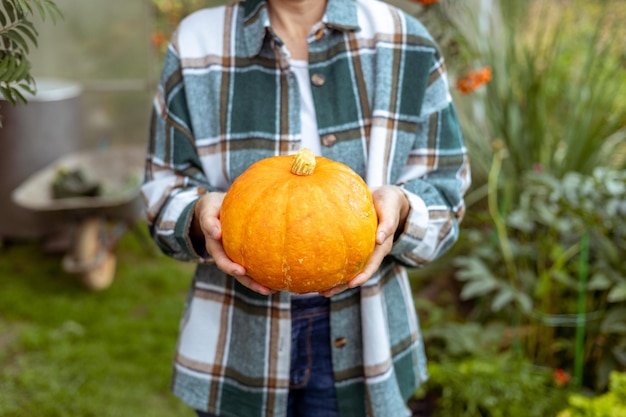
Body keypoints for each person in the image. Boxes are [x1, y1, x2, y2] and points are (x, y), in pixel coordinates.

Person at [141, 0, 470, 415]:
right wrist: (197, 216)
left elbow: (446, 192)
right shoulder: (196, 43)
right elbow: (160, 190)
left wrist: (403, 210)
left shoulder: (405, 41)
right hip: (235, 340)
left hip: (365, 337)